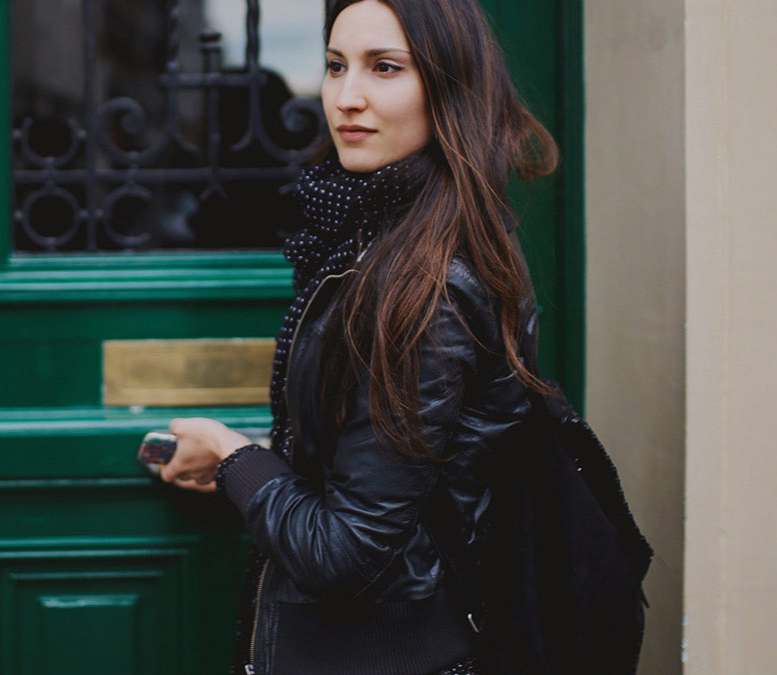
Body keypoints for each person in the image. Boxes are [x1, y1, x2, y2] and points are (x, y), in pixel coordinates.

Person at [160, 0, 560, 672]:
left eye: (384, 68)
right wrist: (255, 460)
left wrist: (233, 455)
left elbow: (344, 553)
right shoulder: (375, 237)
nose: (347, 97)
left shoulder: (427, 284)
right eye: (335, 66)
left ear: (448, 85)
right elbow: (379, 467)